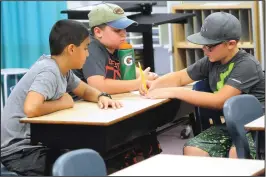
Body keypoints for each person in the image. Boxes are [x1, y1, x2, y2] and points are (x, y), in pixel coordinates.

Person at [1, 19, 122, 176]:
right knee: (79, 167)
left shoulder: (64, 70)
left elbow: (85, 91)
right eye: (85, 48)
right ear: (71, 49)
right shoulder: (48, 71)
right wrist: (63, 103)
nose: (88, 53)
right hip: (20, 151)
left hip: (37, 143)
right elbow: (31, 108)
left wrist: (101, 96)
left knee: (91, 155)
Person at [139, 12, 265, 158]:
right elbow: (180, 77)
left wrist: (174, 92)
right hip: (231, 126)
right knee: (193, 149)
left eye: (209, 46)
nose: (204, 50)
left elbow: (219, 101)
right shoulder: (211, 60)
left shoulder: (246, 65)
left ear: (231, 44)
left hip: (256, 128)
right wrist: (154, 85)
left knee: (237, 153)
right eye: (203, 45)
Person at [71, 3, 161, 171]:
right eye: (117, 31)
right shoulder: (92, 48)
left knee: (145, 126)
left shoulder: (115, 48)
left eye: (124, 30)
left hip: (101, 107)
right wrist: (137, 83)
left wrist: (146, 77)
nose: (124, 35)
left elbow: (130, 70)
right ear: (97, 32)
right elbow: (98, 85)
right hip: (81, 114)